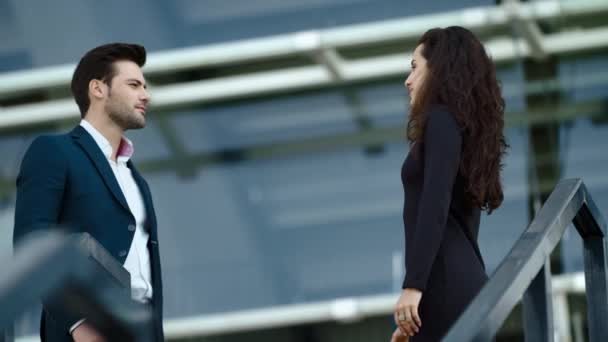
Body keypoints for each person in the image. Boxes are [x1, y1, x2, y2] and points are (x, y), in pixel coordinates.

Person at [13, 43, 164, 342]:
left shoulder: (136, 179)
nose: (145, 95)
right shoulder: (54, 152)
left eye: (145, 87)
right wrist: (80, 323)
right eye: (133, 85)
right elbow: (32, 247)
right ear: (98, 89)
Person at [391, 26, 508, 342]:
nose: (408, 80)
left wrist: (414, 287)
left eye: (415, 67)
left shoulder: (441, 120)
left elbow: (434, 205)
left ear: (438, 69)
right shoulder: (456, 129)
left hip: (445, 285)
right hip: (456, 286)